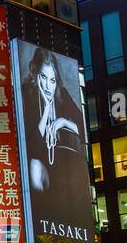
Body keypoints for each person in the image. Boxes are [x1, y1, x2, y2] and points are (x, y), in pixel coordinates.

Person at [20, 47, 85, 193]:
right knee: (34, 166)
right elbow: (34, 149)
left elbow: (84, 130)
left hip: (63, 167)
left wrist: (63, 122)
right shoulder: (26, 93)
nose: (48, 86)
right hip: (40, 167)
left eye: (52, 80)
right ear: (35, 74)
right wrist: (47, 111)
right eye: (43, 77)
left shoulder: (62, 95)